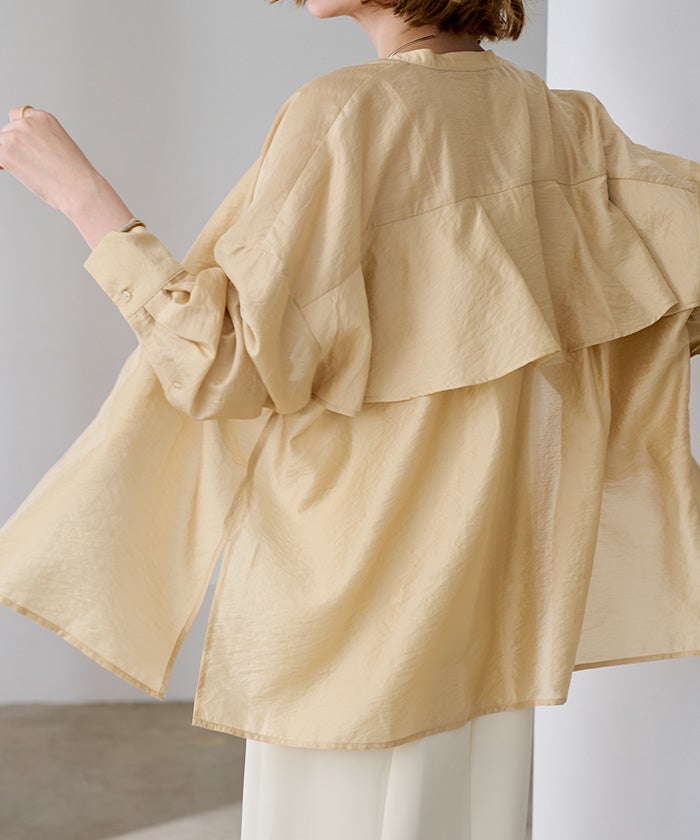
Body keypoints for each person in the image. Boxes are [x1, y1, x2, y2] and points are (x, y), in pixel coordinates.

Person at [2, 1, 700, 838]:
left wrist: (83, 196)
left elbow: (226, 363)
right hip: (491, 593)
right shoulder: (562, 121)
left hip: (349, 596)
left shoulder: (347, 110)